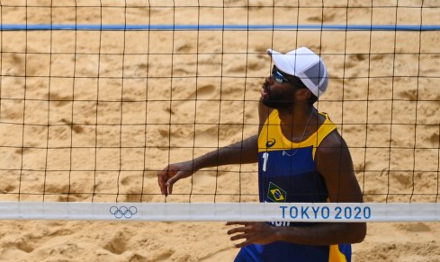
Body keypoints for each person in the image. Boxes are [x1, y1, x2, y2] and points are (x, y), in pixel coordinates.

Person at [157, 47, 366, 261]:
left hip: (313, 253)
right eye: (272, 70)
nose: (267, 80)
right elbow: (263, 144)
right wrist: (196, 163)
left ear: (303, 93)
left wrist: (277, 232)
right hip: (265, 241)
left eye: (278, 76)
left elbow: (355, 230)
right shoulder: (269, 111)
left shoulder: (329, 149)